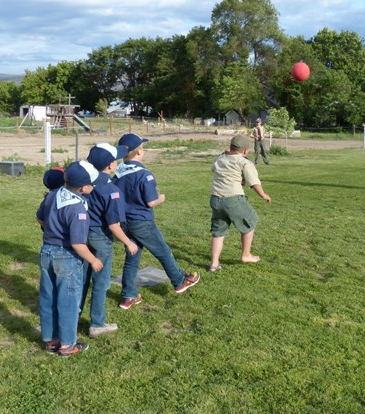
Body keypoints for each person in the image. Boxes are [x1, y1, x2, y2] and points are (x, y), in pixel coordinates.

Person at [113, 133, 200, 309]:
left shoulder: (116, 173)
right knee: (163, 251)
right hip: (142, 221)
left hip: (125, 222)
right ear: (139, 153)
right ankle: (180, 281)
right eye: (142, 148)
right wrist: (161, 198)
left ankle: (128, 295)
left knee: (132, 258)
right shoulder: (144, 174)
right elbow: (151, 201)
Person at [36, 160, 103, 357]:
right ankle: (67, 345)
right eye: (93, 183)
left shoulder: (53, 195)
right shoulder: (78, 210)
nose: (94, 186)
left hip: (47, 252)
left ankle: (50, 340)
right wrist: (93, 260)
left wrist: (50, 230)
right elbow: (78, 244)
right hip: (67, 258)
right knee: (68, 301)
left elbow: (39, 217)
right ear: (83, 187)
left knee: (48, 297)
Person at [80, 143, 139, 337]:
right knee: (100, 282)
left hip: (81, 235)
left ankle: (73, 315)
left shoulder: (82, 184)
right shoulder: (111, 190)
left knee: (82, 280)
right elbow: (114, 225)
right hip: (100, 239)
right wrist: (128, 242)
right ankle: (97, 323)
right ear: (111, 166)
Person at [209, 134, 271, 272]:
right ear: (245, 151)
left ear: (231, 147)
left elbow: (213, 169)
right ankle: (246, 255)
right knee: (250, 221)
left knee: (218, 232)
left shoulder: (220, 158)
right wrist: (263, 195)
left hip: (215, 199)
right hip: (233, 198)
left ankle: (214, 264)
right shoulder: (244, 162)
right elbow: (253, 182)